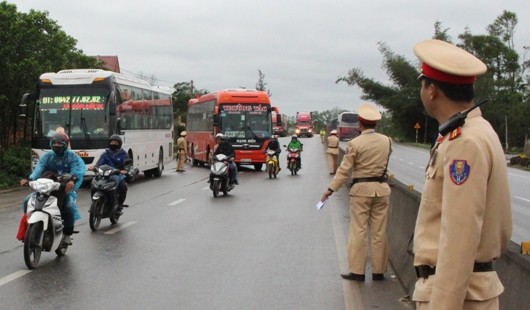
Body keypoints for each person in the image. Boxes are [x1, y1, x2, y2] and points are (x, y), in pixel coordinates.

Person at [411, 39, 512, 309]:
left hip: (457, 296)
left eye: (422, 85)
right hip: (469, 293)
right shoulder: (479, 130)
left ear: (431, 91)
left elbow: (459, 239)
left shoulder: (464, 143)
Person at [320, 103, 392, 282]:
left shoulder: (355, 144)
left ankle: (358, 271)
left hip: (361, 191)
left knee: (358, 231)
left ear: (360, 123)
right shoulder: (387, 141)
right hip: (382, 190)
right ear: (376, 123)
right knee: (379, 231)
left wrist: (330, 190)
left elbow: (344, 171)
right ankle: (378, 271)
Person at [20, 132, 85, 245]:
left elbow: (78, 171)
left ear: (65, 144)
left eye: (60, 143)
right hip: (47, 186)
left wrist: (72, 181)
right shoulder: (47, 156)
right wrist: (29, 179)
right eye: (54, 143)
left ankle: (67, 234)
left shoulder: (73, 157)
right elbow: (39, 169)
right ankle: (30, 225)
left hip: (65, 188)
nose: (57, 145)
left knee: (69, 206)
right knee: (28, 201)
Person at [92, 134, 131, 214]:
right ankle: (97, 201)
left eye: (115, 142)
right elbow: (99, 163)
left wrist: (125, 170)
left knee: (123, 186)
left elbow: (127, 165)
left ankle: (119, 206)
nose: (113, 144)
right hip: (104, 175)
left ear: (119, 143)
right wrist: (94, 167)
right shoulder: (105, 154)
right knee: (94, 183)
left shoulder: (124, 154)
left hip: (118, 175)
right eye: (112, 142)